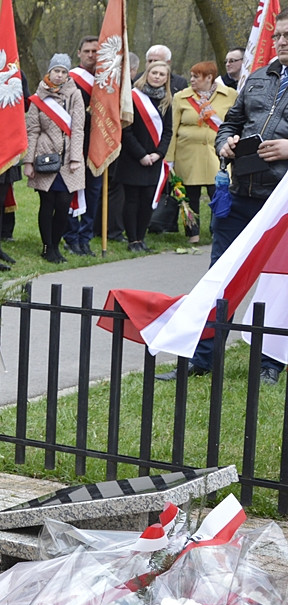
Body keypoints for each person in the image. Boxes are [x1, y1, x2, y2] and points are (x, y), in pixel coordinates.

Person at [159, 9, 288, 386]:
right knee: (219, 279)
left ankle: (269, 362)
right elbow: (231, 122)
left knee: (277, 283)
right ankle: (202, 358)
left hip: (280, 204)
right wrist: (225, 143)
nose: (281, 41)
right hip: (239, 195)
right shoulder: (259, 78)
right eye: (278, 35)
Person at [23, 53, 85, 264]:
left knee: (64, 203)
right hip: (45, 157)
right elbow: (31, 130)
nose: (59, 75)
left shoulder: (75, 95)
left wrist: (76, 157)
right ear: (49, 71)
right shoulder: (39, 97)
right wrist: (29, 161)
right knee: (47, 203)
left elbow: (78, 128)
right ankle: (47, 247)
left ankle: (56, 245)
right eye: (56, 71)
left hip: (69, 159)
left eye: (63, 72)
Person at [166, 60, 236, 243]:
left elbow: (235, 123)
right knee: (190, 195)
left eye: (196, 77)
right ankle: (192, 234)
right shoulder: (181, 97)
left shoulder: (229, 95)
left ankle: (218, 231)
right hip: (188, 154)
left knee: (219, 192)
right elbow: (172, 129)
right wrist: (169, 158)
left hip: (217, 154)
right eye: (192, 76)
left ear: (209, 78)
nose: (192, 80)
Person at [119, 60, 173, 252]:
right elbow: (127, 130)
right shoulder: (133, 97)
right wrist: (142, 155)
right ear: (147, 73)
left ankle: (142, 238)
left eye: (162, 74)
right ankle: (132, 240)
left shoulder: (167, 100)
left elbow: (168, 131)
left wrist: (158, 154)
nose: (157, 77)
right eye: (154, 73)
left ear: (166, 78)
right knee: (132, 200)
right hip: (134, 158)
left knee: (148, 200)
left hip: (155, 161)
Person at [65, 35, 101, 256]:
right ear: (79, 53)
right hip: (74, 143)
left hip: (98, 143)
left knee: (93, 192)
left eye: (95, 51)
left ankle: (85, 236)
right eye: (87, 51)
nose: (90, 55)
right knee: (73, 191)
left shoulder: (107, 81)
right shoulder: (70, 79)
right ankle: (71, 236)